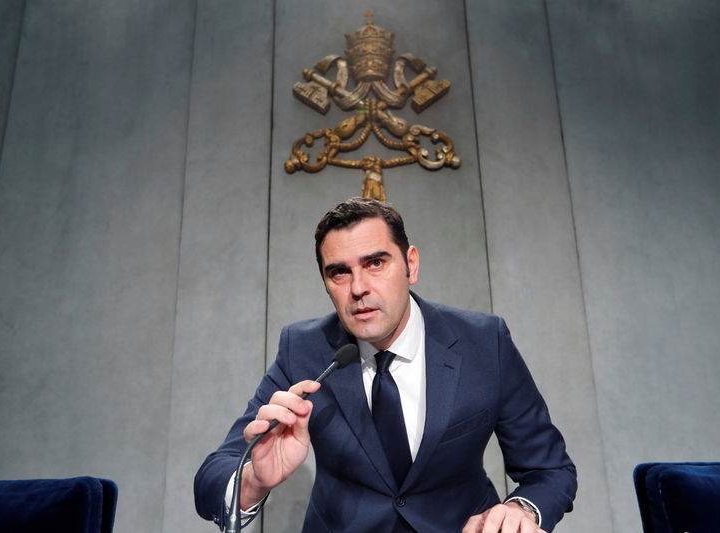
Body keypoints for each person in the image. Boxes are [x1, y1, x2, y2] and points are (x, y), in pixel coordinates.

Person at [195, 197, 576, 532]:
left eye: (375, 263)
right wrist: (253, 481)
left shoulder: (483, 342)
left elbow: (549, 469)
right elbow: (213, 475)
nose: (358, 287)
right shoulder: (305, 350)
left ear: (410, 265)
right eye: (339, 272)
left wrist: (520, 510)